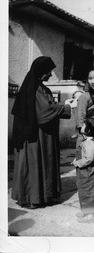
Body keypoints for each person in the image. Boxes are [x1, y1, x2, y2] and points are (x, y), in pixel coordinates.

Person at [11, 56, 71, 209]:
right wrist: (66, 106)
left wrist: (63, 106)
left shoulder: (43, 88)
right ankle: (31, 198)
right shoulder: (32, 90)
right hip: (32, 137)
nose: (51, 75)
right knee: (33, 165)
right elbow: (44, 112)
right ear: (40, 72)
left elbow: (50, 106)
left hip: (43, 136)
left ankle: (44, 195)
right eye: (49, 71)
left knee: (44, 164)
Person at [72, 118, 94, 223]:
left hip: (88, 172)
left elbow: (88, 159)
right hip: (85, 171)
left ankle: (90, 215)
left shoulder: (89, 143)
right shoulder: (87, 141)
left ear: (89, 130)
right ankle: (86, 210)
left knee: (89, 191)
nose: (82, 126)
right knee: (84, 191)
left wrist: (78, 163)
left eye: (84, 125)